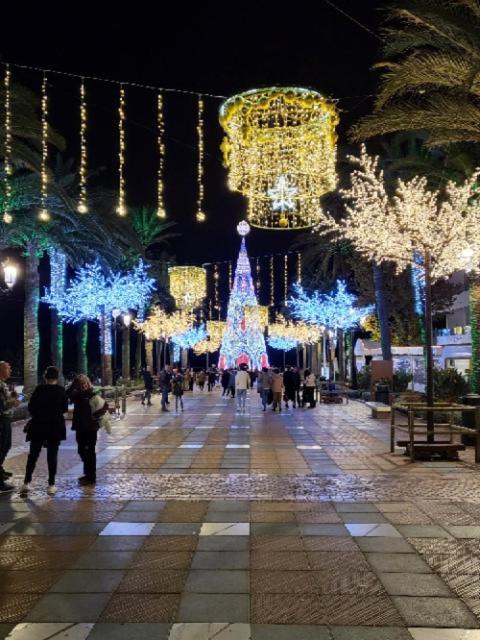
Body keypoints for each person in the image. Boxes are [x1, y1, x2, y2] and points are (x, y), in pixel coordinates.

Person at [20, 366, 68, 496]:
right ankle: (51, 484)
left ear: (45, 377)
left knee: (33, 455)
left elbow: (31, 407)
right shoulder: (61, 390)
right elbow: (64, 409)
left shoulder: (39, 390)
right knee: (52, 456)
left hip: (38, 425)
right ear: (57, 378)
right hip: (55, 426)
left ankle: (26, 482)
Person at [68, 374, 108, 485]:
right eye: (81, 384)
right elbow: (68, 395)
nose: (83, 386)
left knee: (90, 451)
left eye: (84, 383)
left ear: (88, 383)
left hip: (91, 427)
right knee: (81, 450)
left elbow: (104, 407)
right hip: (80, 427)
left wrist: (95, 417)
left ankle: (91, 476)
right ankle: (89, 473)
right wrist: (74, 383)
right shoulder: (77, 395)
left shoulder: (93, 393)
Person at [0, 361, 20, 492]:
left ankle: (0, 470)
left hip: (4, 418)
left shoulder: (3, 384)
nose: (10, 370)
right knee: (3, 445)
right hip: (2, 418)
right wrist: (15, 402)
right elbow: (3, 404)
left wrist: (12, 396)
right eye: (8, 368)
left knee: (5, 445)